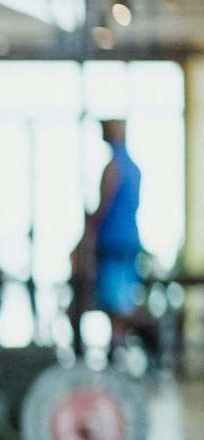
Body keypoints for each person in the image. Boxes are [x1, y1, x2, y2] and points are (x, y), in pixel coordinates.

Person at [76, 119, 145, 357]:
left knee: (115, 301)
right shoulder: (134, 167)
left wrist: (89, 233)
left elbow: (104, 206)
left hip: (113, 245)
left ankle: (117, 348)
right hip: (128, 243)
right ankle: (120, 345)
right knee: (122, 299)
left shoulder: (114, 167)